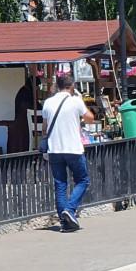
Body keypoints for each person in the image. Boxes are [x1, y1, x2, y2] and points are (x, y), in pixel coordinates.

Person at [41, 75, 95, 232]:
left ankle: (65, 223)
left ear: (57, 86)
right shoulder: (75, 101)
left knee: (60, 184)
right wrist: (80, 101)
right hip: (73, 148)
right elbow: (90, 118)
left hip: (54, 149)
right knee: (83, 180)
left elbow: (44, 128)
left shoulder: (48, 103)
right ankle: (70, 210)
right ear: (72, 86)